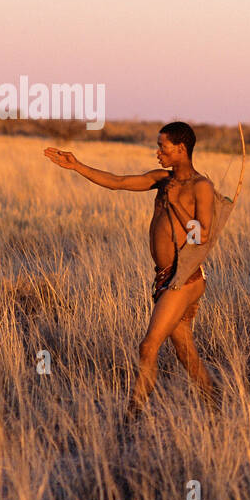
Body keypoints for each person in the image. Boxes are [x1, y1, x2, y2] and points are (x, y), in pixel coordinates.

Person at [44, 121, 218, 415]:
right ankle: (216, 408)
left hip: (184, 277)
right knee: (185, 352)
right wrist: (78, 166)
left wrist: (177, 206)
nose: (157, 152)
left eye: (162, 146)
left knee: (148, 347)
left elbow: (203, 233)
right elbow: (119, 182)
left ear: (181, 148)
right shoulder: (162, 180)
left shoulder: (201, 186)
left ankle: (132, 418)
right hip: (163, 278)